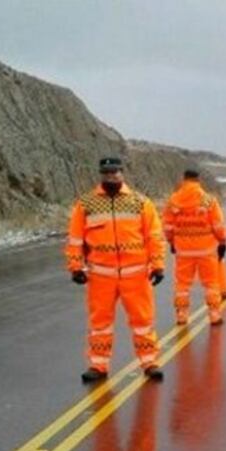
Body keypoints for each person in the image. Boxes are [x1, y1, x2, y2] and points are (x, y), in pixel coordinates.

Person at [66, 157, 166, 383]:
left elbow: (154, 236)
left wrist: (158, 265)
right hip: (101, 275)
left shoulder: (140, 203)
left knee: (143, 321)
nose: (111, 177)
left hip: (136, 274)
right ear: (101, 175)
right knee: (99, 323)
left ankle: (149, 362)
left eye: (115, 173)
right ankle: (98, 365)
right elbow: (75, 238)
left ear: (122, 173)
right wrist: (75, 266)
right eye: (107, 173)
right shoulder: (86, 204)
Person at [162, 169, 226, 325]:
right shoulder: (208, 200)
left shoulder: (173, 201)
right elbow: (218, 225)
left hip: (183, 251)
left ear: (183, 179)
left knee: (182, 284)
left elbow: (167, 226)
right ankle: (214, 314)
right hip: (206, 250)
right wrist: (223, 241)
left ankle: (182, 315)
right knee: (211, 283)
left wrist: (171, 242)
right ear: (198, 180)